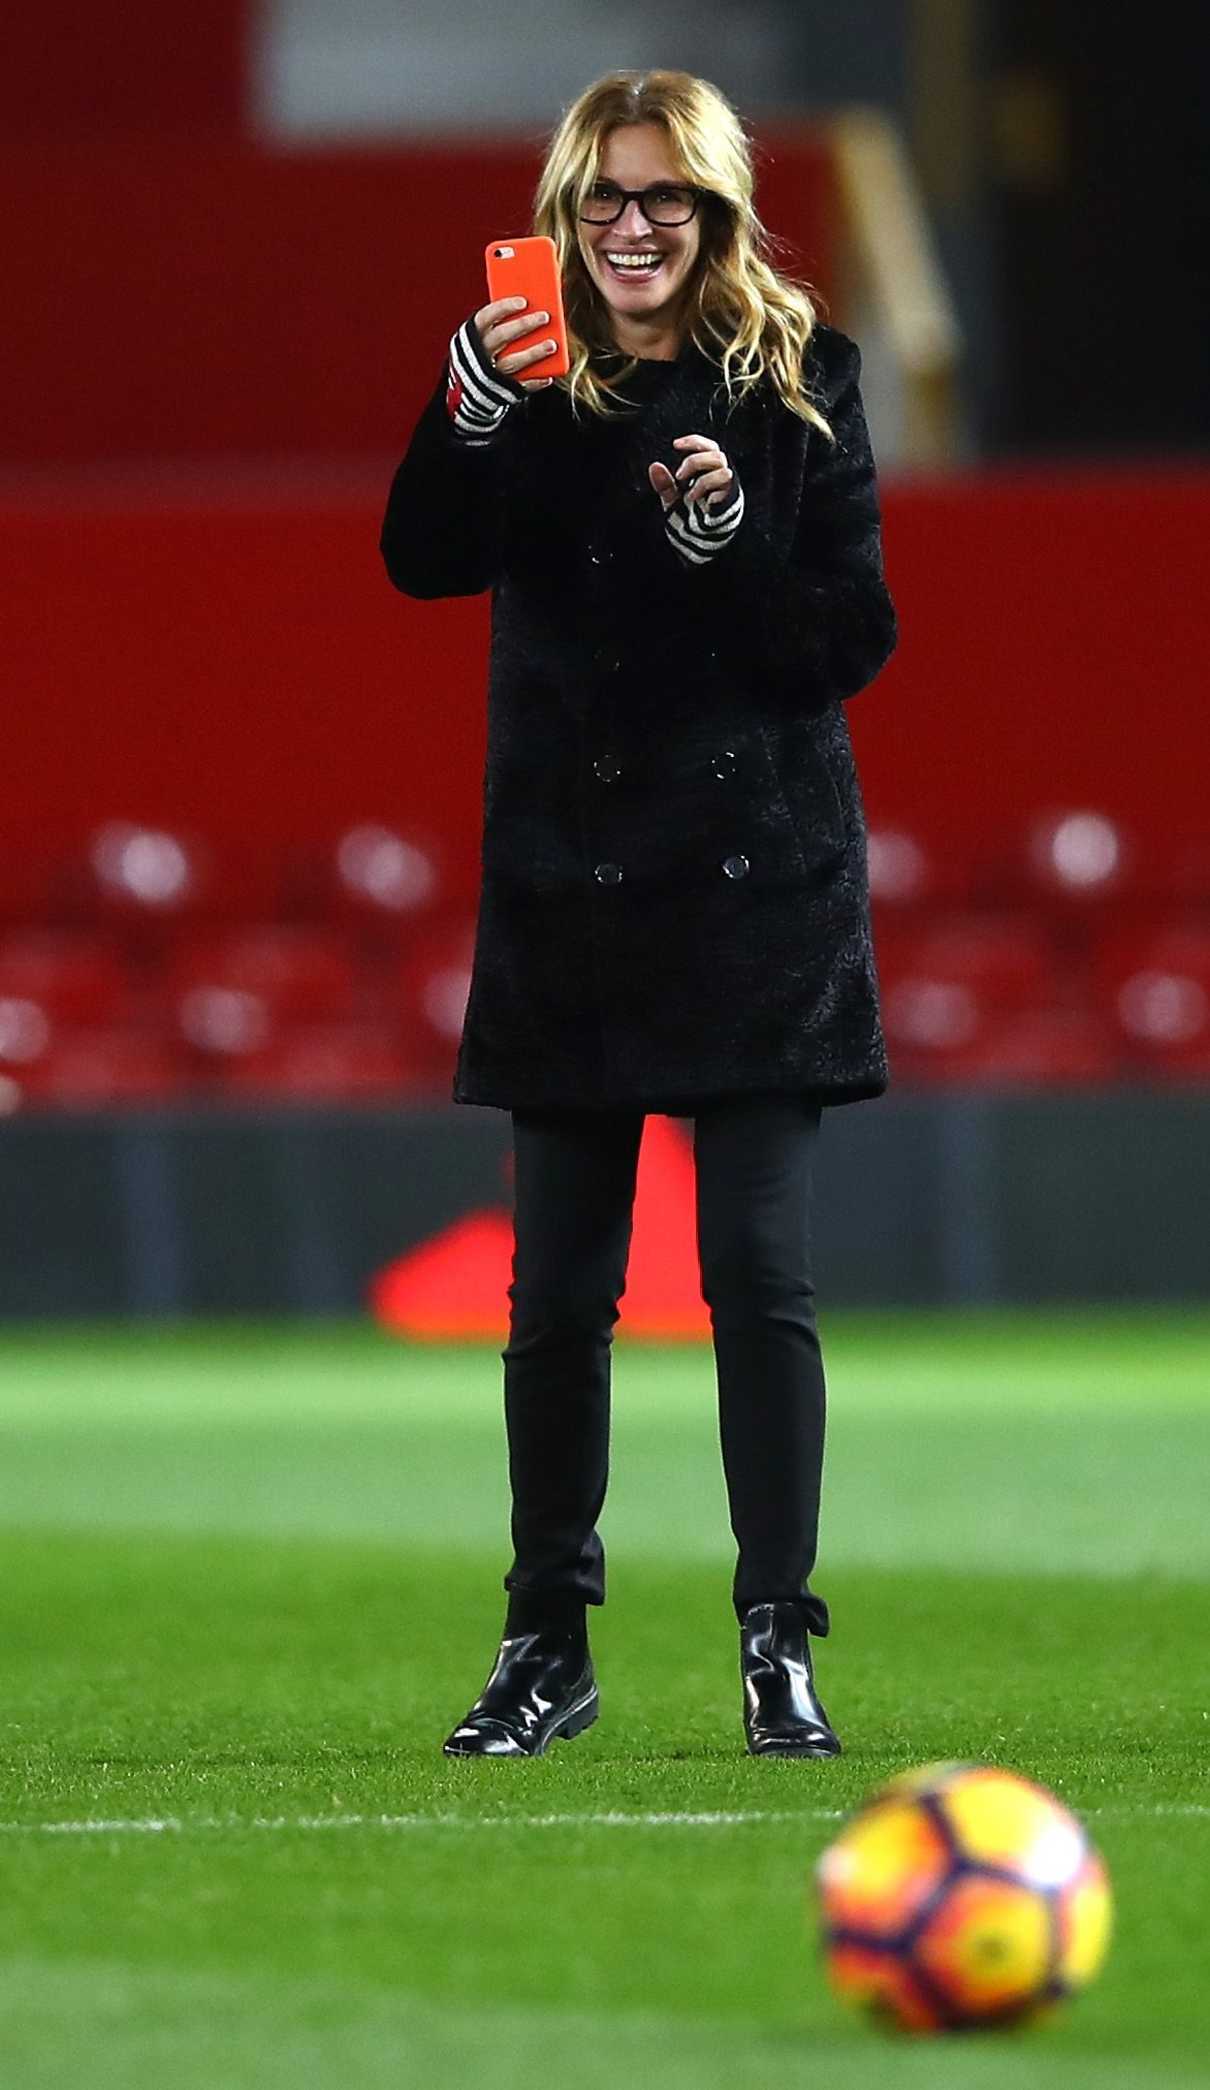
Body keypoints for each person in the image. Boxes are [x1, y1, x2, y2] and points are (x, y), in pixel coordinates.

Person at [380, 68, 897, 1760]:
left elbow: (842, 641)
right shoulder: (524, 384)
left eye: (663, 196)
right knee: (557, 1297)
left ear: (718, 213)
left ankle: (777, 1643)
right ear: (563, 212)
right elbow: (418, 560)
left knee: (756, 1271)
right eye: (603, 196)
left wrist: (735, 538)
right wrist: (457, 409)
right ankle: (547, 1642)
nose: (629, 225)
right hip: (573, 883)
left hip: (757, 881)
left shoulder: (800, 378)